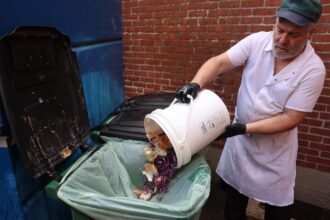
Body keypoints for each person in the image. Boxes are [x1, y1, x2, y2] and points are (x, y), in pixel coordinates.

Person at [175, 0, 325, 219]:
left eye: (294, 35)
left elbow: (292, 118)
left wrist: (244, 128)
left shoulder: (313, 69)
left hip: (274, 152)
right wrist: (195, 84)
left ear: (311, 32)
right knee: (234, 200)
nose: (282, 40)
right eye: (279, 30)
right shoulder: (257, 42)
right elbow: (218, 62)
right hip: (241, 145)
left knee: (277, 209)